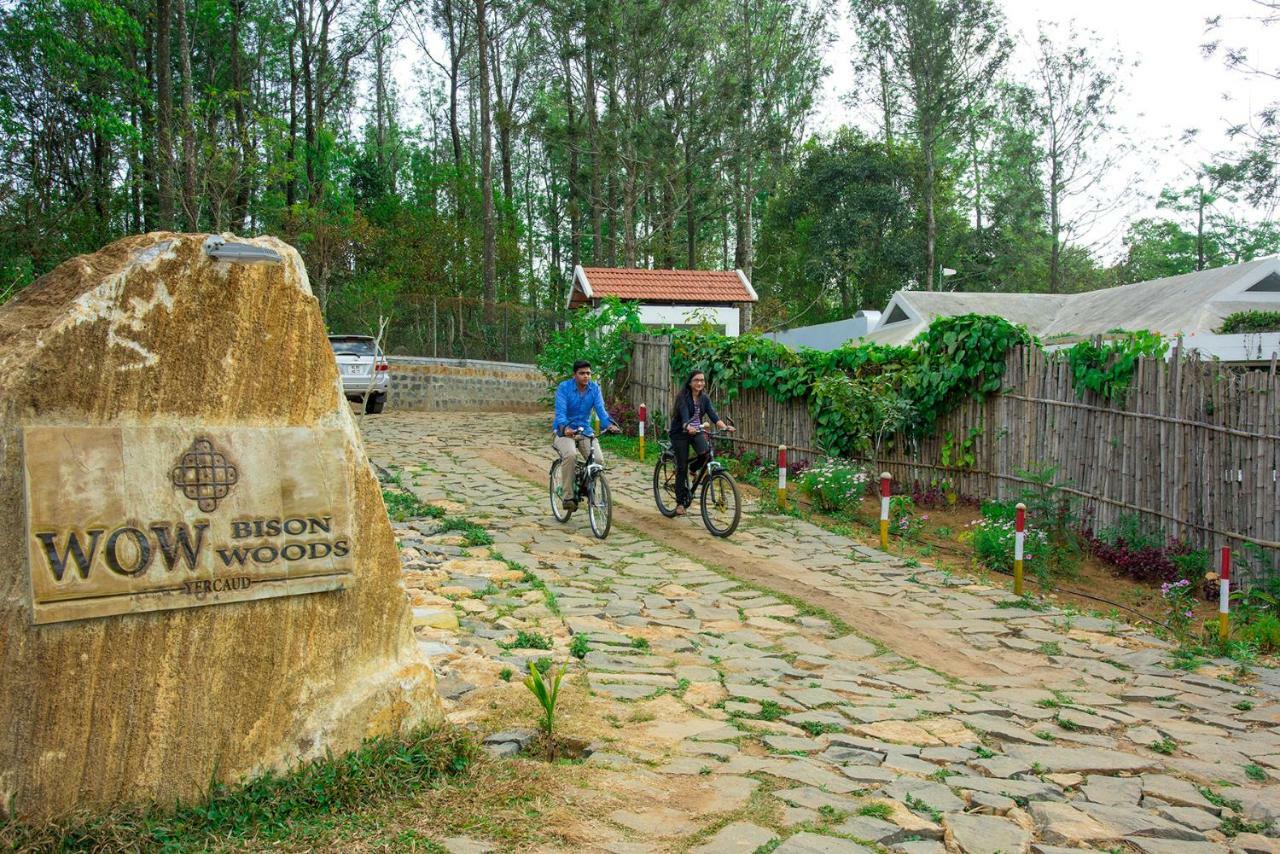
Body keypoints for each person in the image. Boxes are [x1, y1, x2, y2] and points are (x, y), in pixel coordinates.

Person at [552, 360, 619, 511]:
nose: (586, 376)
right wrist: (566, 428)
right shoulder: (564, 388)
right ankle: (568, 497)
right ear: (574, 375)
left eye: (588, 373)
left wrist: (609, 424)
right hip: (565, 431)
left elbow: (601, 410)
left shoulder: (594, 388)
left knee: (598, 461)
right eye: (582, 373)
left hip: (585, 431)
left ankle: (588, 488)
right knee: (570, 455)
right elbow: (560, 412)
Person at [667, 369, 733, 515]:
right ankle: (680, 503)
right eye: (696, 380)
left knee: (705, 455)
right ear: (690, 382)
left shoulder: (704, 398)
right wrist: (687, 426)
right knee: (681, 467)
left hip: (696, 431)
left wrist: (724, 427)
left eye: (702, 380)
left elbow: (714, 416)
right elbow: (684, 417)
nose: (700, 383)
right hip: (680, 432)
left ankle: (693, 469)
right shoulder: (683, 397)